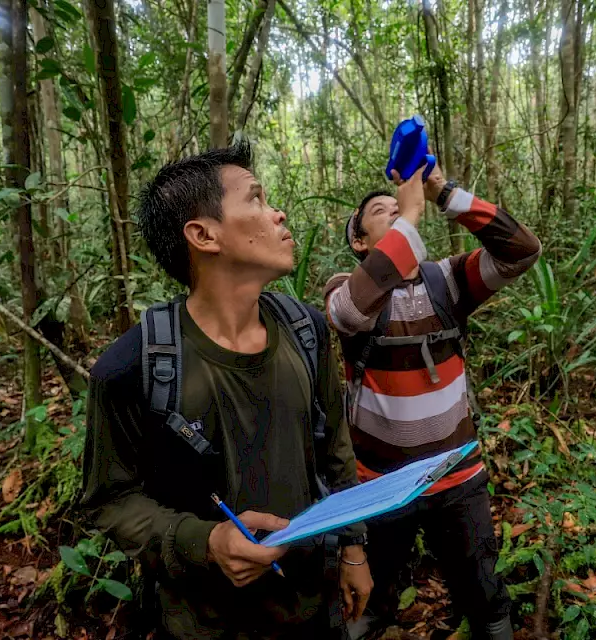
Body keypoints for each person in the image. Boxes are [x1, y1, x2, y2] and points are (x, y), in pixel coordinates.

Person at [81, 141, 372, 640]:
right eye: (256, 199)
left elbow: (334, 450)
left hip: (310, 605)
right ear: (203, 234)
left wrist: (352, 549)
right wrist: (207, 541)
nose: (277, 213)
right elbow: (108, 500)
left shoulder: (307, 331)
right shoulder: (132, 367)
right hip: (202, 622)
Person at [324, 162, 542, 640]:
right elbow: (348, 312)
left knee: (482, 590)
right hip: (380, 483)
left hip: (456, 474)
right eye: (382, 212)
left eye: (396, 206)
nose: (396, 211)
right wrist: (412, 213)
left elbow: (522, 251)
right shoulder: (346, 288)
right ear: (361, 242)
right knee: (371, 600)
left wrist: (444, 192)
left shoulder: (446, 281)